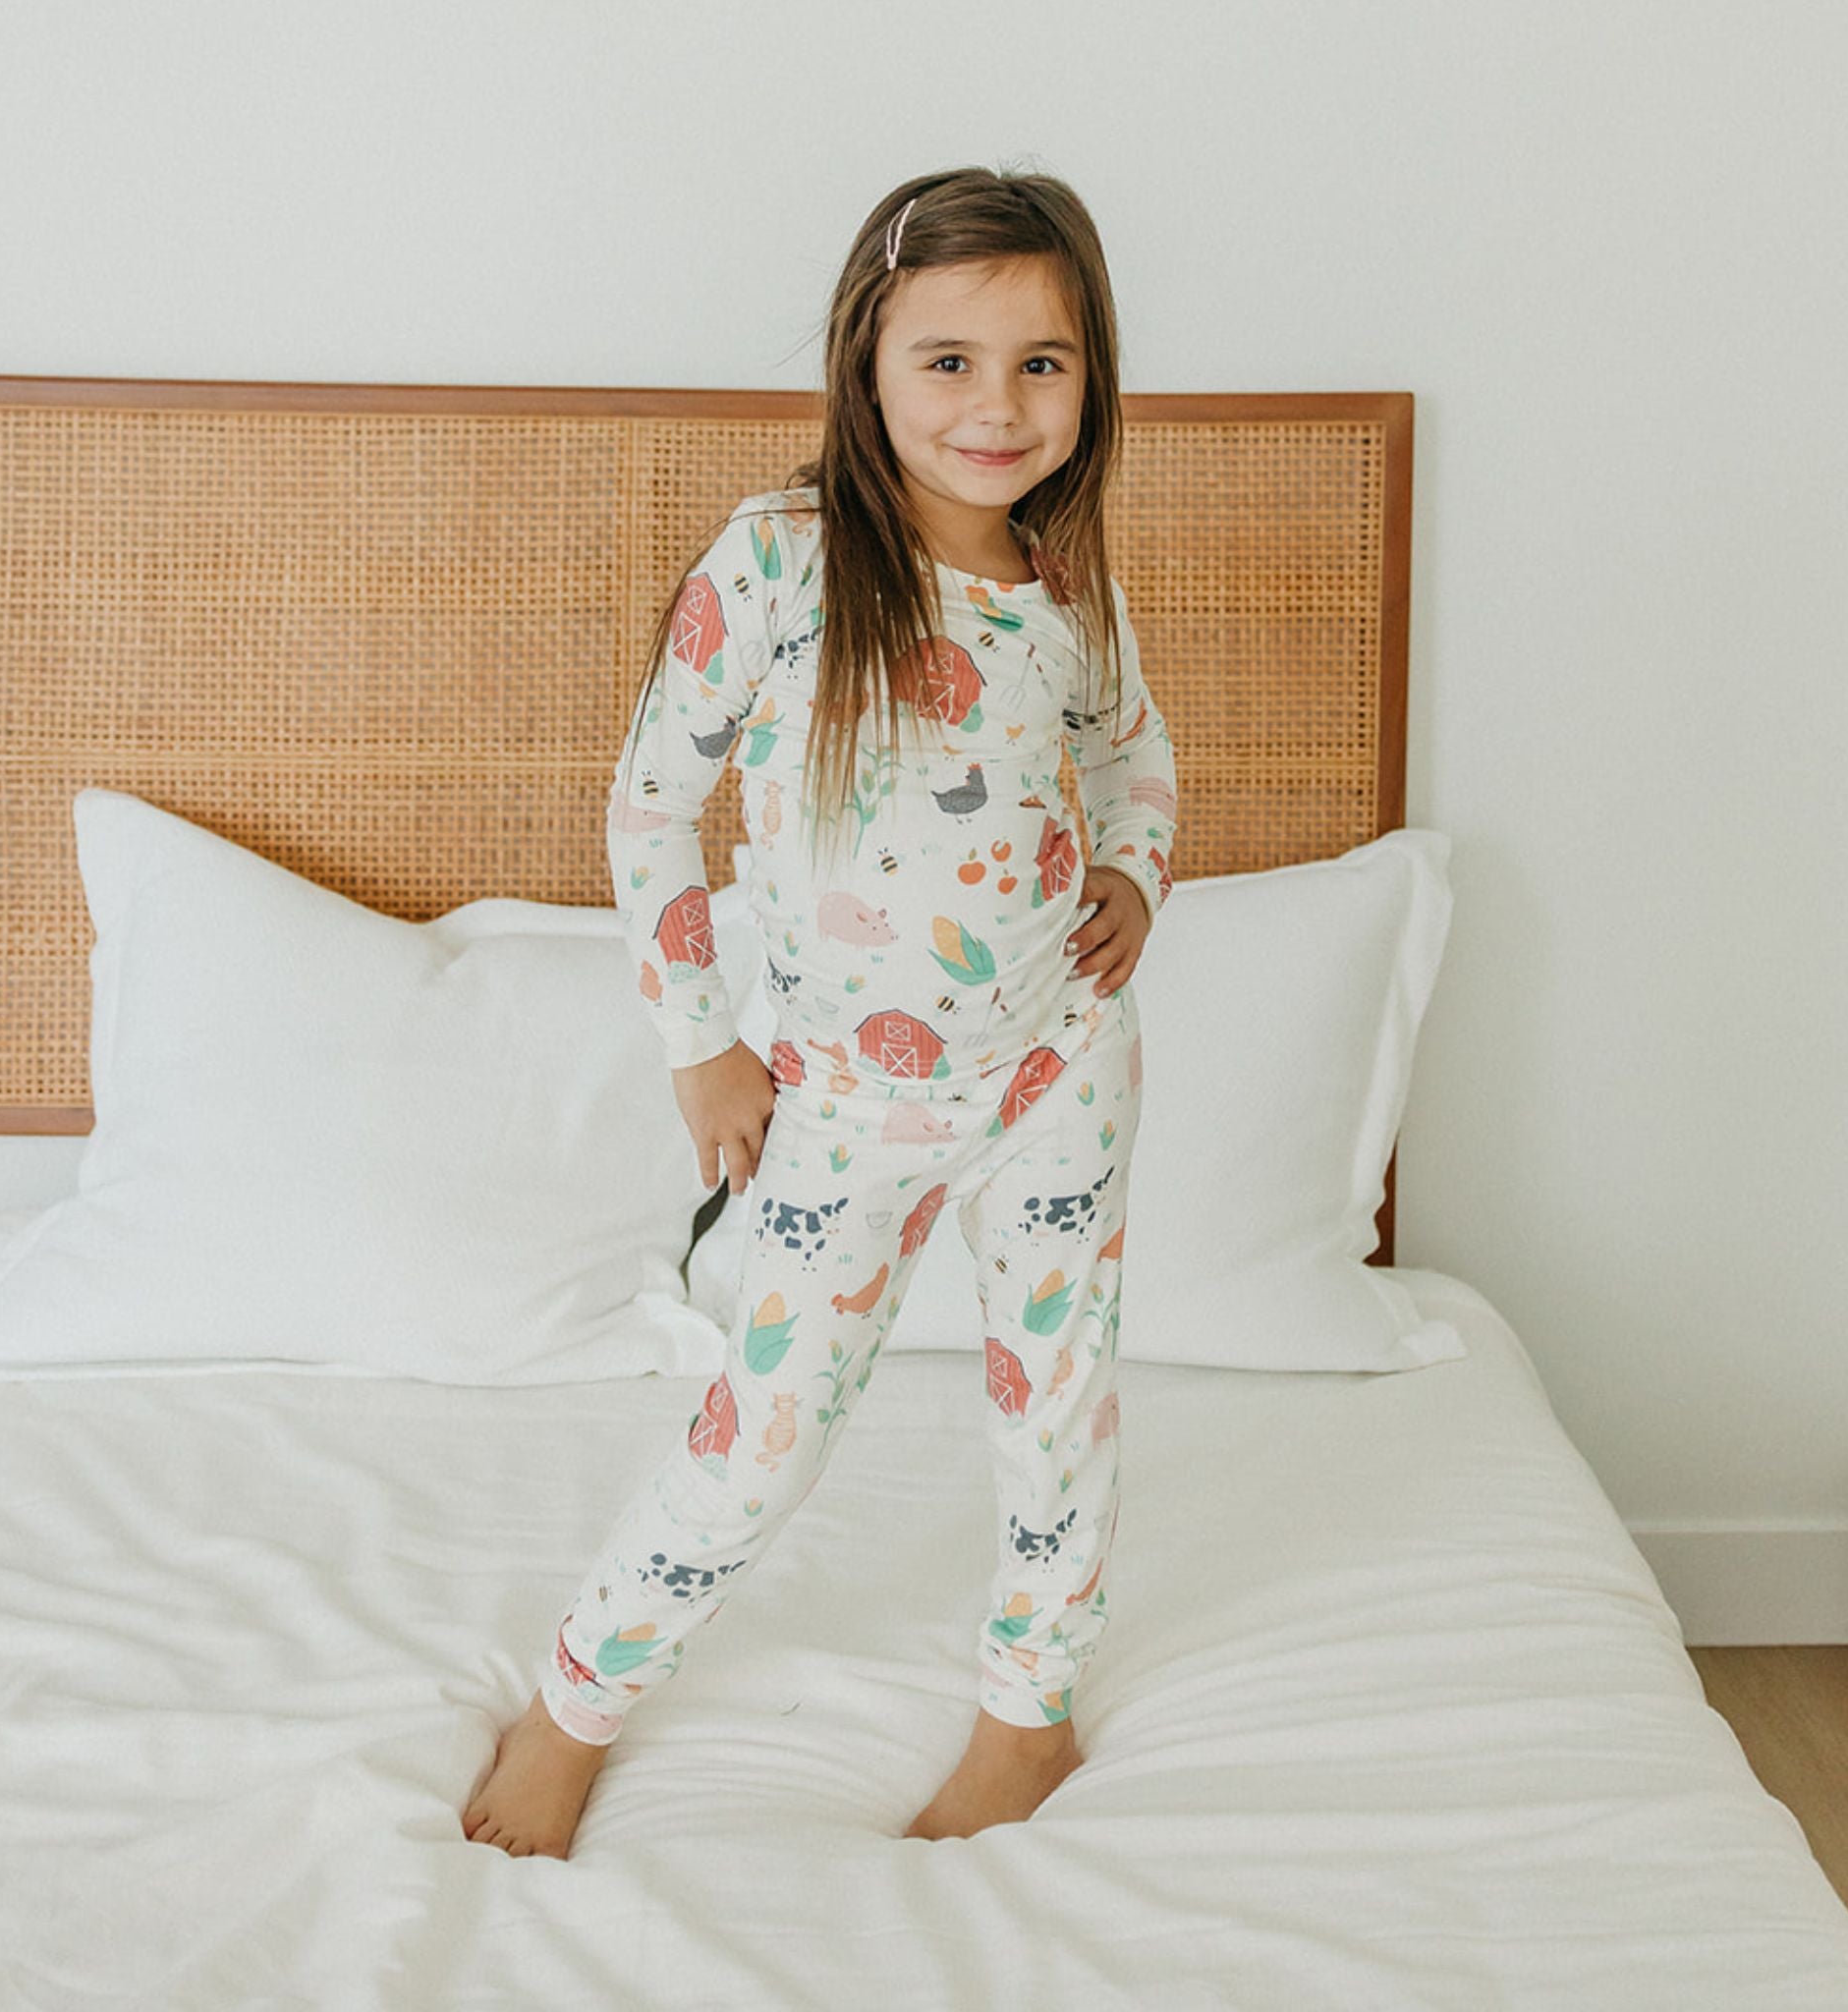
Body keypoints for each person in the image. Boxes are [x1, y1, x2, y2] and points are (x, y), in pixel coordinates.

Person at [463, 164, 1178, 1858]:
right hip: (850, 1105)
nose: (996, 406)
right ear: (868, 360)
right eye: (948, 361)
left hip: (1060, 1069)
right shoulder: (781, 561)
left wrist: (1135, 875)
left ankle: (1031, 1713)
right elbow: (652, 807)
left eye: (1041, 363)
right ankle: (577, 1700)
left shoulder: (1067, 584)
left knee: (1057, 1403)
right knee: (763, 1430)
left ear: (1091, 375)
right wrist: (699, 1043)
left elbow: (1135, 759)